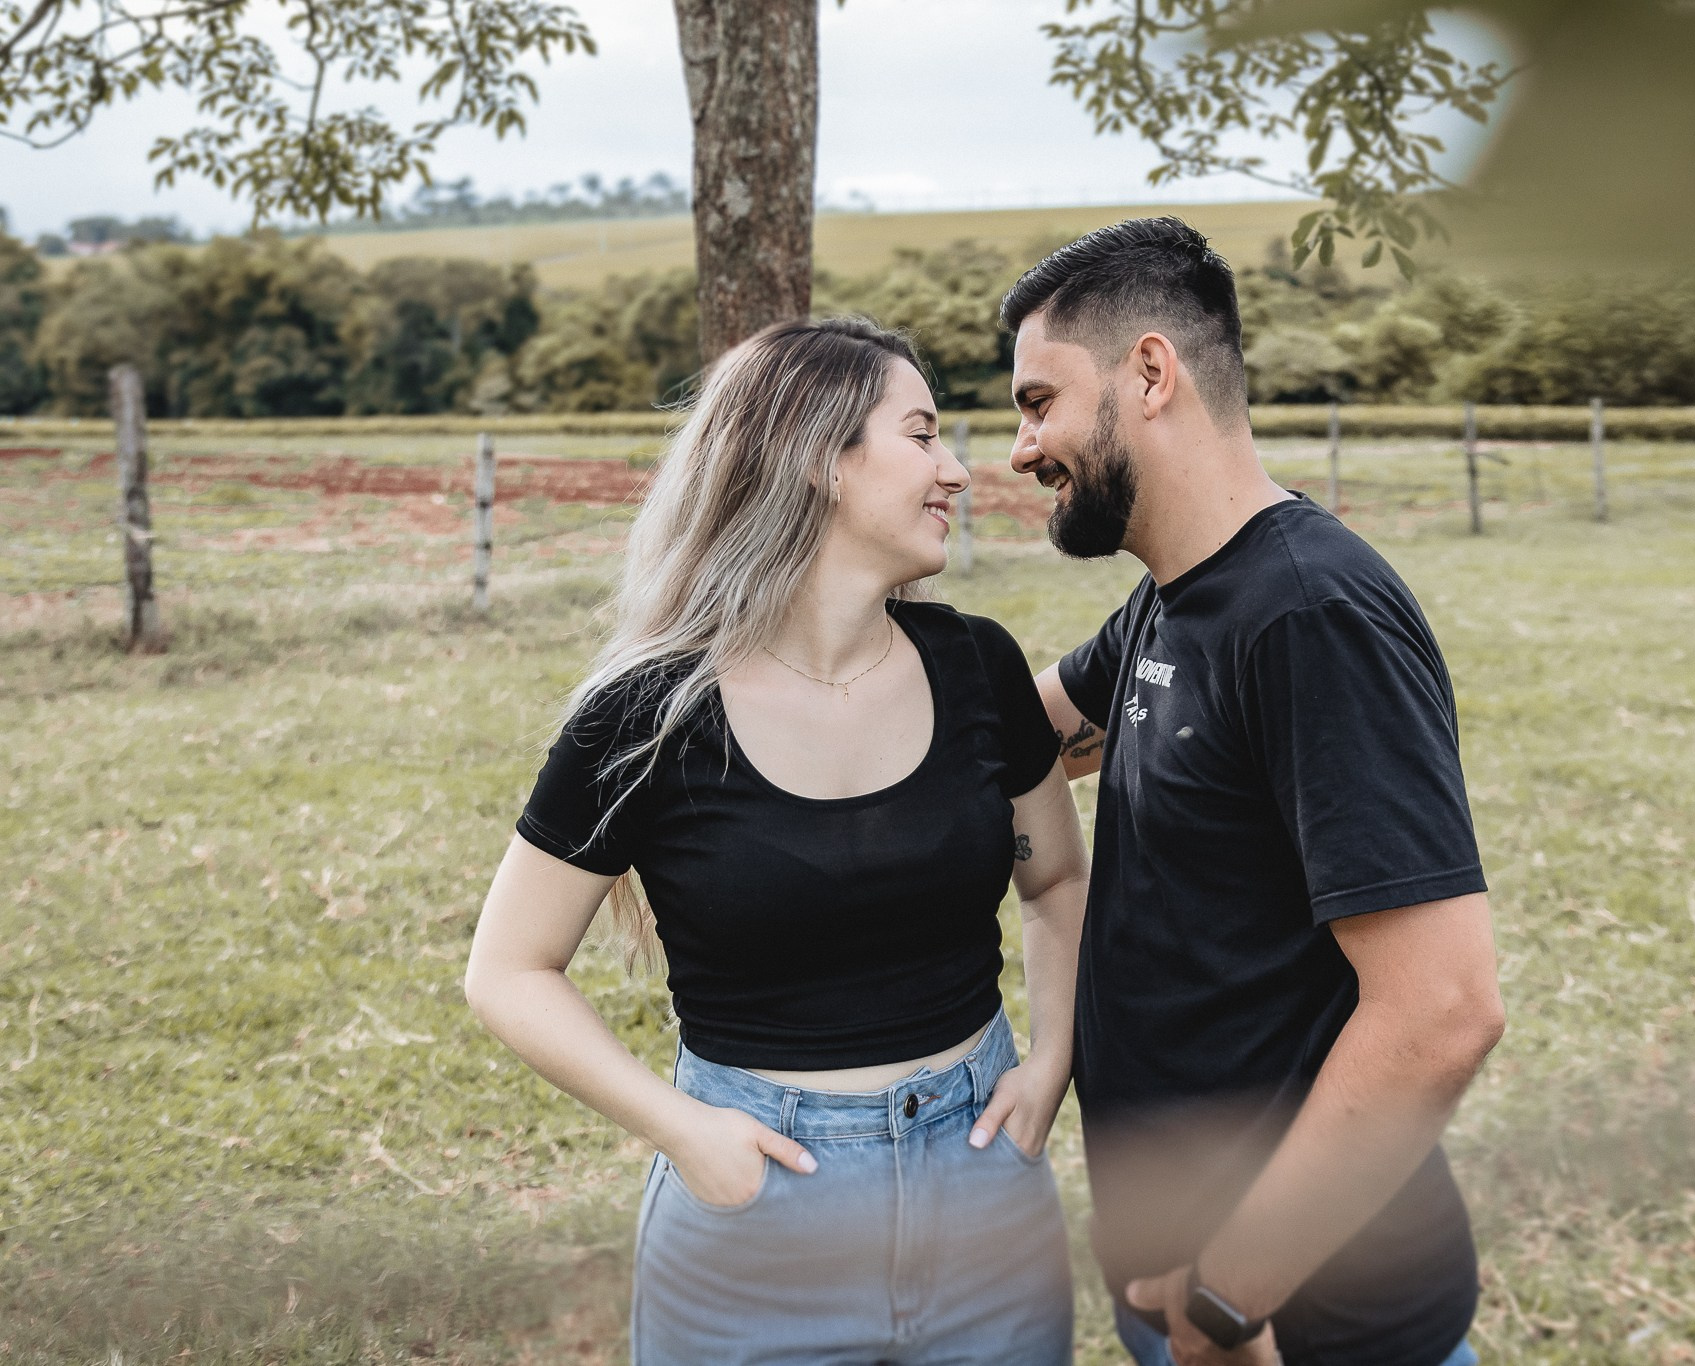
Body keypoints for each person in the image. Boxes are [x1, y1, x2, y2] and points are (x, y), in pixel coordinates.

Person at [464, 317, 1089, 1365]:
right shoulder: (648, 714)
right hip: (758, 1214)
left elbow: (1057, 879)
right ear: (817, 459)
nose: (956, 471)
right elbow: (508, 970)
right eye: (921, 436)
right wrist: (683, 1130)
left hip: (984, 1184)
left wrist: (1056, 1057)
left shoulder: (978, 666)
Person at [1002, 218, 1505, 1366]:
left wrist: (1226, 1296)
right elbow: (1022, 737)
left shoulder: (1308, 614)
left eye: (1037, 403)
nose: (1021, 449)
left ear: (1148, 372)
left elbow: (1442, 1009)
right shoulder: (1176, 596)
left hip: (1305, 1320)